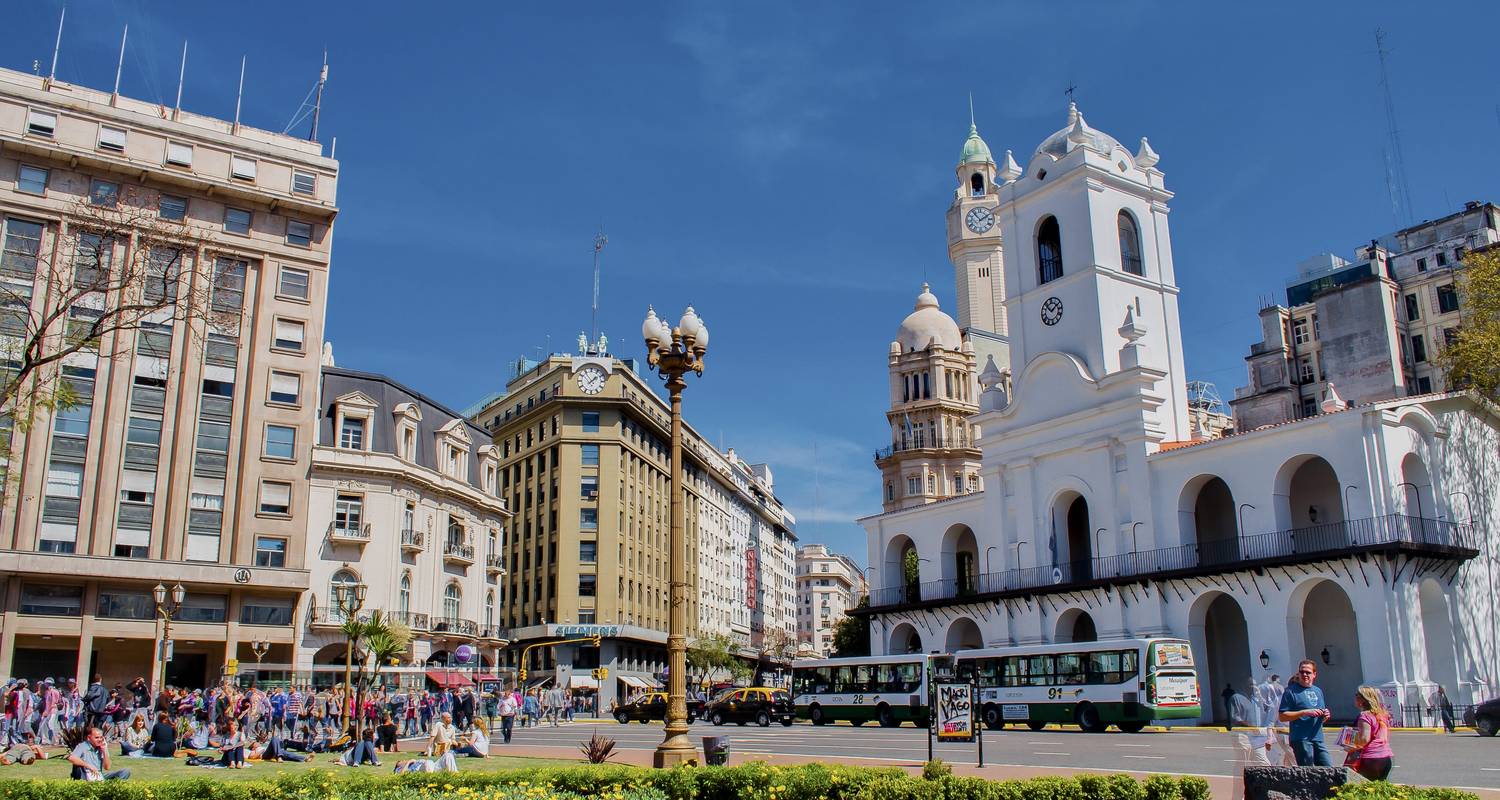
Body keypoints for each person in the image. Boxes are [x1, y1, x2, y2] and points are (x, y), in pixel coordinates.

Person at [1279, 659, 1332, 767]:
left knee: (1328, 768)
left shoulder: (1318, 691)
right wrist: (1304, 712)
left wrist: (1325, 715)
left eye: (1308, 672)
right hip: (1301, 739)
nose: (1304, 674)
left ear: (1314, 674)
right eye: (1301, 672)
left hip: (1317, 738)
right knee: (1308, 772)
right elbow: (1282, 716)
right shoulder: (1290, 691)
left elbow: (1320, 718)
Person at [1344, 686, 1394, 780]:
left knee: (1364, 788)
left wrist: (1350, 748)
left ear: (1362, 700)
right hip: (1386, 757)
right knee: (1379, 790)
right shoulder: (1382, 715)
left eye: (1356, 696)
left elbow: (1364, 739)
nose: (1355, 698)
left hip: (1370, 759)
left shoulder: (1364, 716)